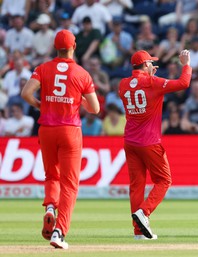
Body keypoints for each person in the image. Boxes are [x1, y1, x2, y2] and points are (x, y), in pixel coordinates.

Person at [21, 29, 100, 249]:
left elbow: (26, 93)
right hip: (70, 130)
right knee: (70, 184)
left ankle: (49, 208)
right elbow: (95, 108)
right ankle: (59, 233)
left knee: (51, 175)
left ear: (55, 47)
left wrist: (41, 105)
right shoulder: (82, 73)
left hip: (47, 129)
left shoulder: (43, 68)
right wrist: (80, 101)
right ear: (74, 47)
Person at [119, 49, 192, 240]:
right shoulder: (153, 82)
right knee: (164, 180)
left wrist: (149, 76)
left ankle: (138, 232)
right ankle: (144, 212)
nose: (153, 64)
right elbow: (184, 83)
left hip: (130, 141)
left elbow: (140, 90)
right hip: (150, 142)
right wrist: (186, 65)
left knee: (136, 186)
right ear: (146, 65)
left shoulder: (123, 84)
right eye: (151, 62)